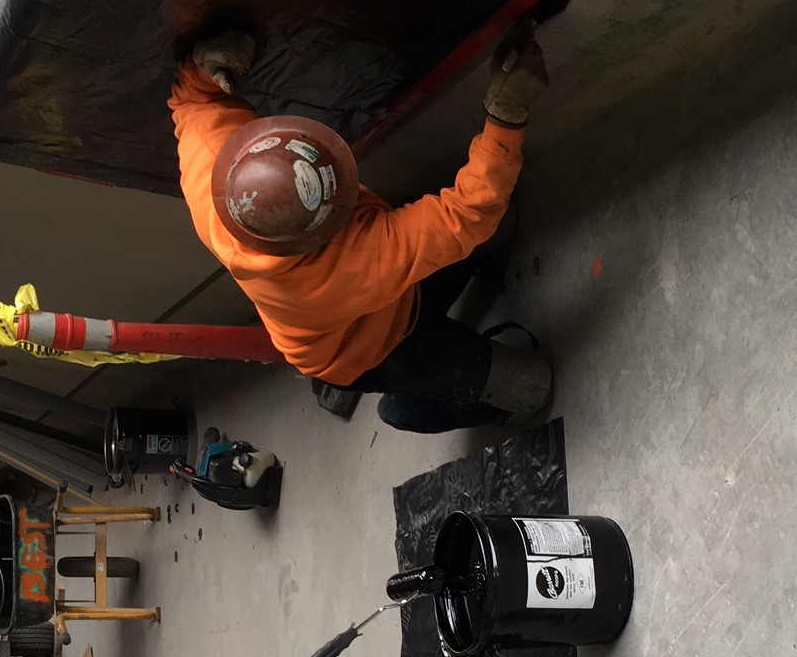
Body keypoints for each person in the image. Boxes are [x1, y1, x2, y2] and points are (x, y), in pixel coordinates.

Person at [167, 28, 553, 432]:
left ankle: (452, 300)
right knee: (532, 385)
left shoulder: (221, 181)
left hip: (375, 303)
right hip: (377, 353)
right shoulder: (354, 259)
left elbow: (191, 105)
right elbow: (469, 213)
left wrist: (203, 71)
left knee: (484, 223)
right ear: (324, 229)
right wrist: (506, 116)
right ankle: (406, 406)